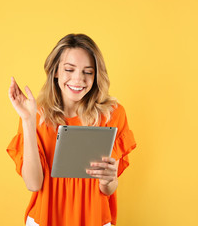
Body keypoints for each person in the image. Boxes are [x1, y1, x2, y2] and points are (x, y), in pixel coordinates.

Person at [7, 33, 137, 226]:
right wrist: (27, 120)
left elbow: (108, 189)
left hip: (94, 219)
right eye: (69, 69)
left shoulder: (112, 114)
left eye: (88, 72)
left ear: (96, 75)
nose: (78, 79)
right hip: (45, 219)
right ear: (56, 71)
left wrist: (109, 179)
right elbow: (33, 184)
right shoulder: (35, 114)